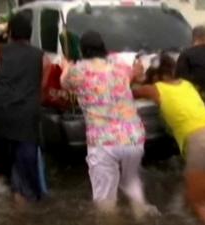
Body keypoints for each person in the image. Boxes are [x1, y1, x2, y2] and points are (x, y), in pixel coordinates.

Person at [60, 31, 158, 217]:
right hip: (134, 137)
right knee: (131, 182)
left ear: (82, 50)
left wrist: (66, 66)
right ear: (103, 48)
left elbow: (64, 83)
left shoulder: (78, 71)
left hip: (103, 142)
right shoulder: (120, 66)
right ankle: (142, 218)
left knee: (105, 198)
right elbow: (134, 75)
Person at [133, 54, 205, 225]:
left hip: (203, 140)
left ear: (155, 76)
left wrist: (137, 78)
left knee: (196, 202)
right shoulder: (187, 85)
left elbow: (128, 92)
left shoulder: (154, 88)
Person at [0, 10, 47, 203]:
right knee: (24, 184)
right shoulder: (42, 57)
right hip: (24, 121)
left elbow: (2, 75)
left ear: (10, 33)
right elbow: (41, 88)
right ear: (30, 34)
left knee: (2, 173)